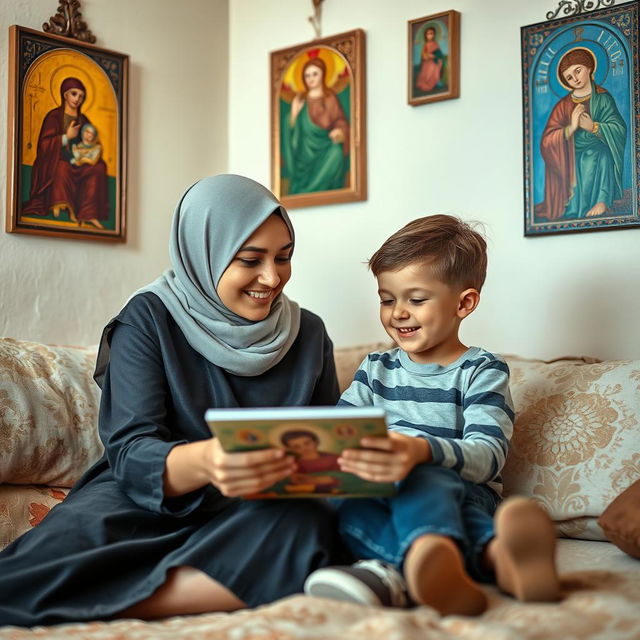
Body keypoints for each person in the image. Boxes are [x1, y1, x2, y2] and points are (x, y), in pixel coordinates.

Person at [0, 174, 344, 627]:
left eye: (284, 257)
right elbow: (132, 449)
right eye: (250, 259)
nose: (272, 277)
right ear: (203, 250)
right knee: (32, 572)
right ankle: (202, 590)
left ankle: (124, 604)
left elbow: (328, 452)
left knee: (306, 527)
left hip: (254, 507)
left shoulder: (309, 332)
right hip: (147, 496)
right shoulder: (147, 318)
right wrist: (210, 460)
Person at [304, 215, 561, 615]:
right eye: (387, 299)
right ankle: (498, 562)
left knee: (423, 479)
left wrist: (420, 452)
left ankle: (423, 554)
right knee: (345, 506)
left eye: (416, 299)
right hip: (378, 492)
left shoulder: (480, 370)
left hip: (460, 492)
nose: (398, 313)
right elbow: (340, 437)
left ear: (464, 303)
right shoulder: (375, 370)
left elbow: (488, 453)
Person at [535, 47, 626, 221]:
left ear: (589, 68)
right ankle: (572, 205)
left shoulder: (603, 97)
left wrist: (594, 127)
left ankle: (602, 200)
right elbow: (547, 140)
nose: (575, 78)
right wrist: (571, 127)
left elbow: (619, 128)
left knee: (602, 153)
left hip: (598, 148)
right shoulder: (563, 105)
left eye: (578, 71)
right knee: (582, 158)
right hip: (570, 154)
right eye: (569, 77)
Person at [22, 76, 109, 229]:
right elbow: (43, 145)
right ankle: (60, 205)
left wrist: (88, 150)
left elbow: (93, 140)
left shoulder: (83, 119)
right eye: (74, 94)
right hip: (57, 160)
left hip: (80, 161)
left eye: (81, 96)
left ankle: (88, 213)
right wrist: (65, 137)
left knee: (99, 167)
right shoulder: (54, 117)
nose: (77, 99)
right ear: (65, 94)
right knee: (62, 166)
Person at [281, 56, 350, 195]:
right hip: (304, 150)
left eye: (315, 74)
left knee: (336, 152)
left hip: (325, 145)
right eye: (307, 75)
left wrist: (339, 132)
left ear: (323, 74)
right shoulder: (300, 100)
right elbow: (291, 129)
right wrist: (293, 114)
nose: (311, 78)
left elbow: (340, 120)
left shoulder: (330, 97)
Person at [415, 27, 444, 93]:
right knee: (425, 73)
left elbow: (439, 54)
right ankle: (426, 82)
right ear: (426, 35)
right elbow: (423, 55)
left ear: (434, 35)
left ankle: (436, 82)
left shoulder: (435, 44)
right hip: (426, 63)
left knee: (434, 68)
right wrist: (426, 56)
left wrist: (434, 56)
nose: (430, 35)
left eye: (431, 33)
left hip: (434, 62)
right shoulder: (425, 45)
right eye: (428, 34)